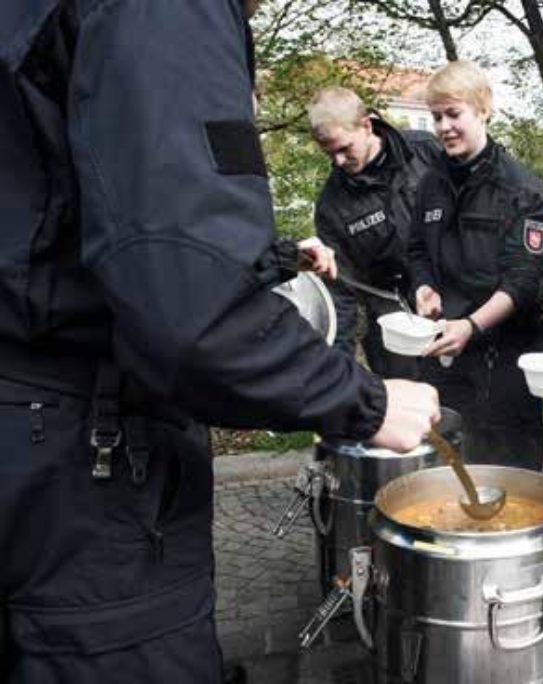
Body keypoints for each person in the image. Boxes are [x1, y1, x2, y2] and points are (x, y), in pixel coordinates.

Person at [0, 2, 439, 683]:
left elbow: (90, 230)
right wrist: (366, 402)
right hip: (83, 459)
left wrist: (261, 261)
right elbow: (190, 316)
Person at [408, 60, 543, 471]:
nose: (443, 126)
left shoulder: (522, 189)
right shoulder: (431, 184)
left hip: (506, 358)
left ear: (483, 109)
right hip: (446, 355)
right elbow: (416, 249)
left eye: (453, 114)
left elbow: (523, 280)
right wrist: (424, 287)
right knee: (447, 471)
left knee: (510, 477)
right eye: (436, 117)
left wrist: (472, 326)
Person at [310, 87, 443, 377]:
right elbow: (339, 293)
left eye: (345, 148)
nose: (338, 162)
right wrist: (337, 372)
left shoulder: (426, 152)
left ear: (366, 125)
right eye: (329, 153)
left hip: (452, 306)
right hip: (393, 329)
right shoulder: (331, 207)